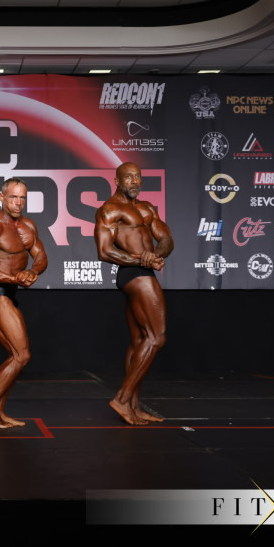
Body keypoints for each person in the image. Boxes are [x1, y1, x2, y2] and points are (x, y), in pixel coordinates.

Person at [95, 162, 173, 425]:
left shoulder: (147, 208)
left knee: (140, 340)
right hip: (133, 273)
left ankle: (133, 407)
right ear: (117, 181)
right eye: (128, 177)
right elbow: (104, 251)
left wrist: (155, 255)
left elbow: (166, 239)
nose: (134, 181)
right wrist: (142, 260)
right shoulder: (110, 209)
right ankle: (122, 398)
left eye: (137, 176)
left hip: (144, 270)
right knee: (157, 337)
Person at [0, 177, 47, 428]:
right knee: (22, 355)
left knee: (14, 356)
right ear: (2, 197)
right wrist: (14, 278)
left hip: (9, 295)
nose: (18, 202)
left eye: (22, 197)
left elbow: (41, 256)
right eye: (13, 197)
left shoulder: (28, 226)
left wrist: (32, 272)